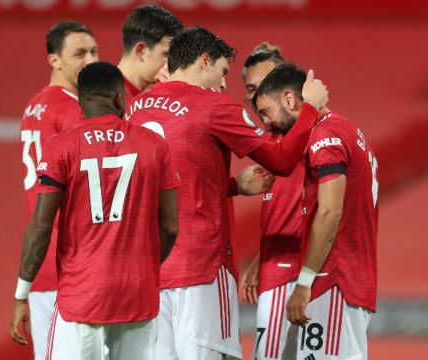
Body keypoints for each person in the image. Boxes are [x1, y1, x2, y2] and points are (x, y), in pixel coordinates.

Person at [125, 27, 328, 360]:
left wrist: (233, 186)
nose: (222, 85)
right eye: (221, 73)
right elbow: (282, 160)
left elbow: (165, 182)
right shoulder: (213, 105)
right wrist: (310, 109)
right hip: (201, 267)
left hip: (149, 270)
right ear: (204, 61)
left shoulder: (136, 109)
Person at [11, 61, 179, 359]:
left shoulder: (61, 147)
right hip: (136, 293)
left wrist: (22, 293)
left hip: (82, 294)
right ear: (119, 98)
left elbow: (41, 227)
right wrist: (146, 269)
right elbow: (169, 226)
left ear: (82, 101)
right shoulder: (154, 145)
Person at [253, 63, 378, 360]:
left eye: (266, 113)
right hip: (348, 278)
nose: (266, 125)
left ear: (289, 99)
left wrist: (305, 283)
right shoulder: (347, 130)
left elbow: (329, 212)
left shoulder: (326, 135)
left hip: (333, 279)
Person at [19, 20, 98, 359]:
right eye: (79, 54)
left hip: (43, 264)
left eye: (94, 51)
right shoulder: (73, 110)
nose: (91, 61)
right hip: (74, 262)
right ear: (54, 60)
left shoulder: (35, 105)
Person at [239, 43, 307, 360]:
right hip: (276, 264)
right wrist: (259, 259)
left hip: (297, 269)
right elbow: (282, 205)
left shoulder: (308, 132)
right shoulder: (273, 139)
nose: (257, 99)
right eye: (251, 91)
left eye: (264, 86)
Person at [118, 4, 183, 103]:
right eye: (167, 54)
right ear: (141, 51)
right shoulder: (105, 99)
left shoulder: (149, 97)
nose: (174, 64)